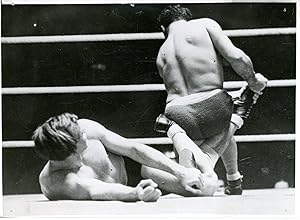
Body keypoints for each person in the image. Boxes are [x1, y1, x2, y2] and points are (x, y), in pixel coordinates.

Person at [153, 5, 268, 195]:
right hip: (213, 107)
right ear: (186, 18)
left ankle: (233, 180)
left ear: (163, 29)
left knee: (204, 142)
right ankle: (240, 110)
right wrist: (253, 80)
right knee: (226, 118)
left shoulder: (161, 53)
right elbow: (236, 56)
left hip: (176, 114)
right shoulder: (204, 24)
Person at [32, 112, 216, 202]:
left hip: (135, 168)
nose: (84, 131)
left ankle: (176, 133)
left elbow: (132, 149)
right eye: (81, 135)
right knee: (207, 182)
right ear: (72, 149)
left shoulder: (86, 127)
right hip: (130, 187)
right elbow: (96, 190)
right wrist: (136, 193)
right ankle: (231, 123)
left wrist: (180, 171)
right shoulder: (57, 181)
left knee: (206, 187)